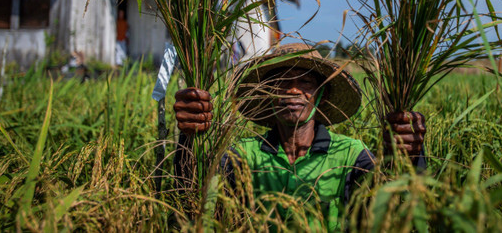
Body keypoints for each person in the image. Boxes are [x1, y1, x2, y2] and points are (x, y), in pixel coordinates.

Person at [173, 43, 426, 231]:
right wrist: (188, 138)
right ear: (266, 94)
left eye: (305, 82)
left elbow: (395, 204)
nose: (293, 90)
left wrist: (411, 155)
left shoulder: (351, 155)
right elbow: (194, 197)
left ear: (321, 95)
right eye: (282, 82)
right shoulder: (245, 155)